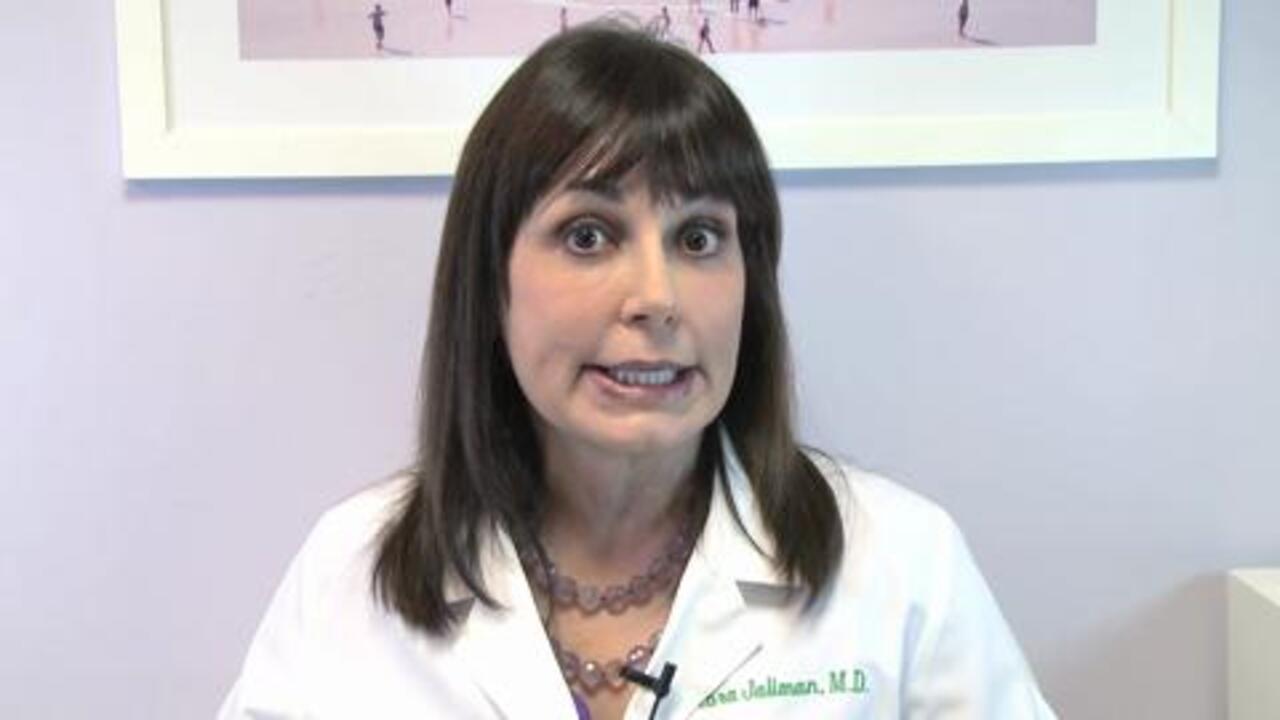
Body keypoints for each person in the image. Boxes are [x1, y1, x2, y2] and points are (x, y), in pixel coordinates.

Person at [217, 22, 1057, 720]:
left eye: (699, 237)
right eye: (588, 235)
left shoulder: (901, 566)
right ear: (490, 282)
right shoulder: (347, 575)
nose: (657, 298)